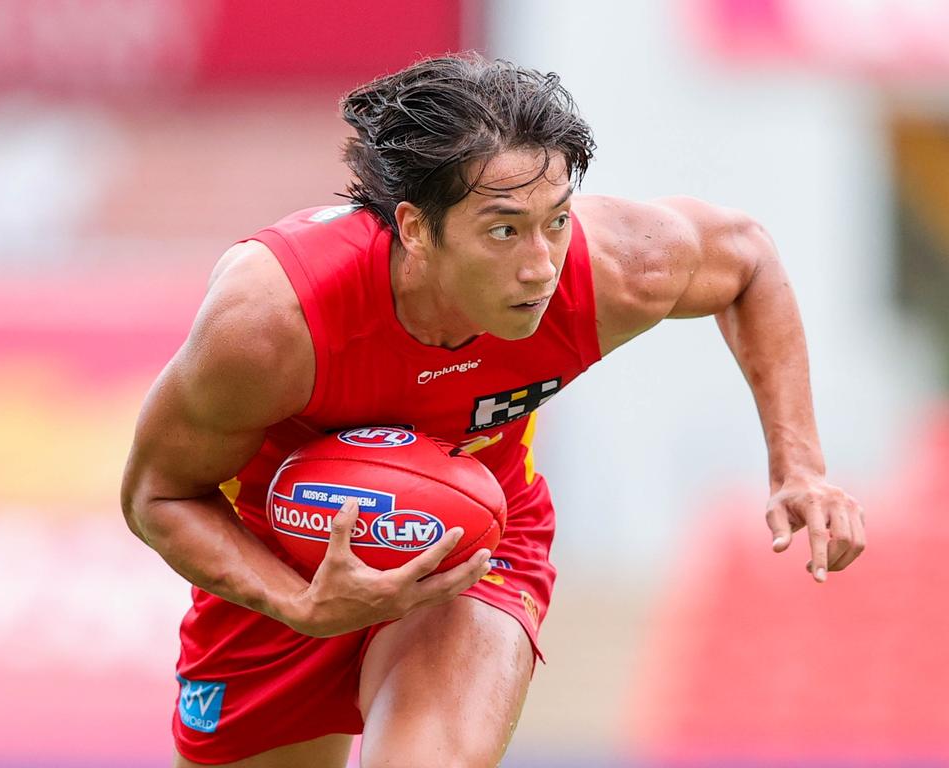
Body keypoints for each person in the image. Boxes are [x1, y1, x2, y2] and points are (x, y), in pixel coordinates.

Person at [121, 54, 866, 768]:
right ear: (415, 228)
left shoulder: (612, 270)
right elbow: (156, 495)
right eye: (505, 230)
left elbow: (748, 259)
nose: (542, 265)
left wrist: (798, 465)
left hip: (473, 542)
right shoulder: (272, 321)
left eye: (557, 219)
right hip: (285, 556)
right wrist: (298, 601)